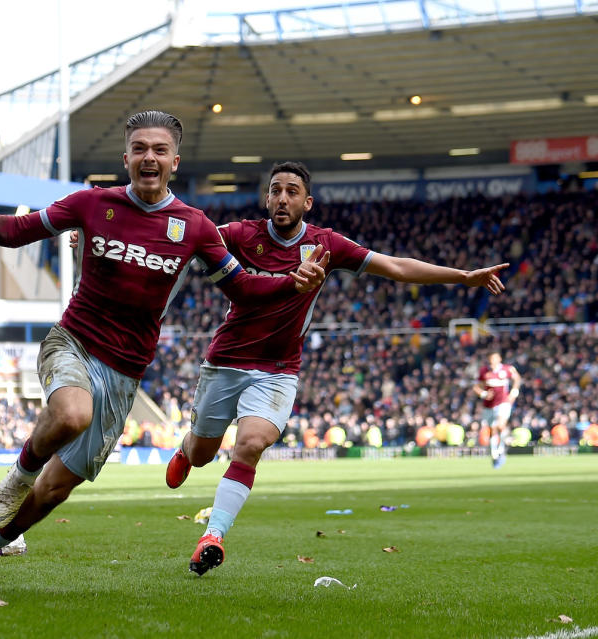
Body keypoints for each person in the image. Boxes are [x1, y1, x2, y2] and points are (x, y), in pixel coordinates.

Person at [0, 111, 328, 594]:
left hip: (124, 371)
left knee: (54, 493)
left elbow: (242, 288)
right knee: (71, 415)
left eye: (159, 150)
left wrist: (291, 283)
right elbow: (23, 229)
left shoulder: (194, 227)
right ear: (127, 158)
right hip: (73, 341)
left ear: (174, 162)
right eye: (140, 149)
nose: (149, 157)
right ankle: (18, 474)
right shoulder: (93, 203)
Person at [164, 160, 509, 576]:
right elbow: (180, 245)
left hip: (277, 368)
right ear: (266, 198)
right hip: (225, 361)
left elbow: (396, 266)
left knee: (251, 444)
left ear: (306, 202)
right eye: (275, 190)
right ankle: (187, 449)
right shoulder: (240, 235)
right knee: (203, 453)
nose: (282, 198)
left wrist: (463, 276)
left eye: (292, 191)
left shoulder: (326, 245)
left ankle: (213, 535)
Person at [472, 351, 520, 469]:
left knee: (500, 425)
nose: (492, 362)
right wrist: (483, 394)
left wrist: (514, 392)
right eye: (490, 360)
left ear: (499, 359)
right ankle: (494, 453)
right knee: (492, 429)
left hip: (503, 403)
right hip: (488, 406)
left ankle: (501, 450)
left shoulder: (507, 369)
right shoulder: (484, 371)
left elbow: (517, 379)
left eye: (494, 359)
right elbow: (476, 387)